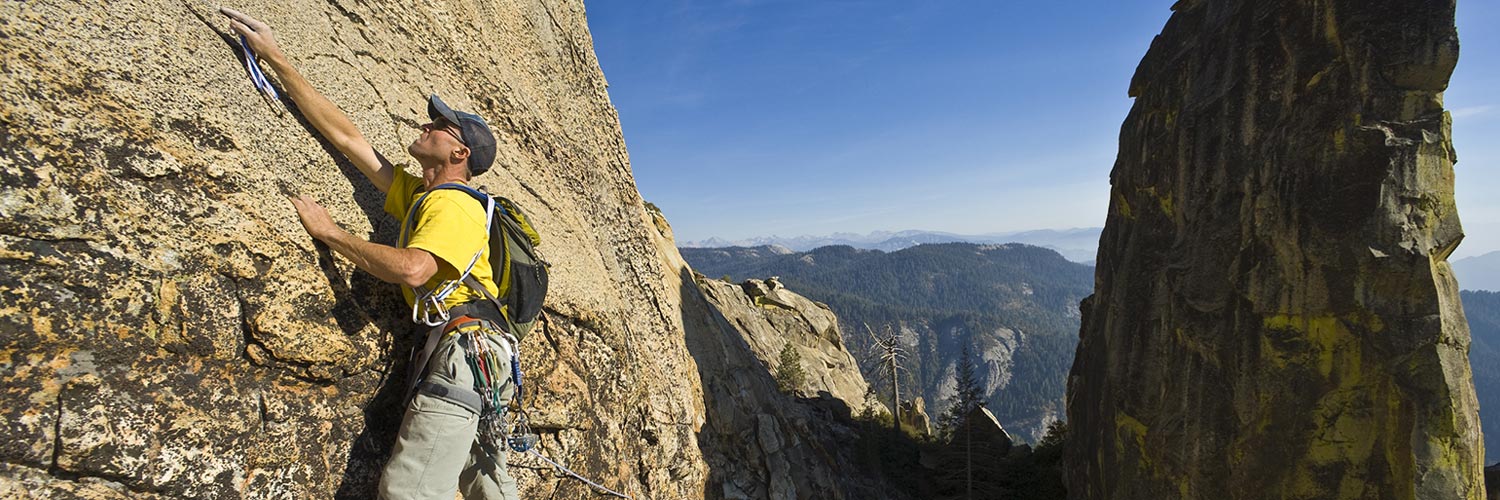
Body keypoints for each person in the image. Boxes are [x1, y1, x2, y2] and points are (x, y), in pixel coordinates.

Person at [221, 8, 520, 499]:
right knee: (485, 487)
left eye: (440, 124)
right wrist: (277, 59)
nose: (428, 123)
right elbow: (348, 138)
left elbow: (414, 267)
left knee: (410, 492)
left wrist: (331, 233)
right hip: (480, 356)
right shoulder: (422, 194)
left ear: (459, 154)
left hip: (464, 355)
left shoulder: (453, 205)